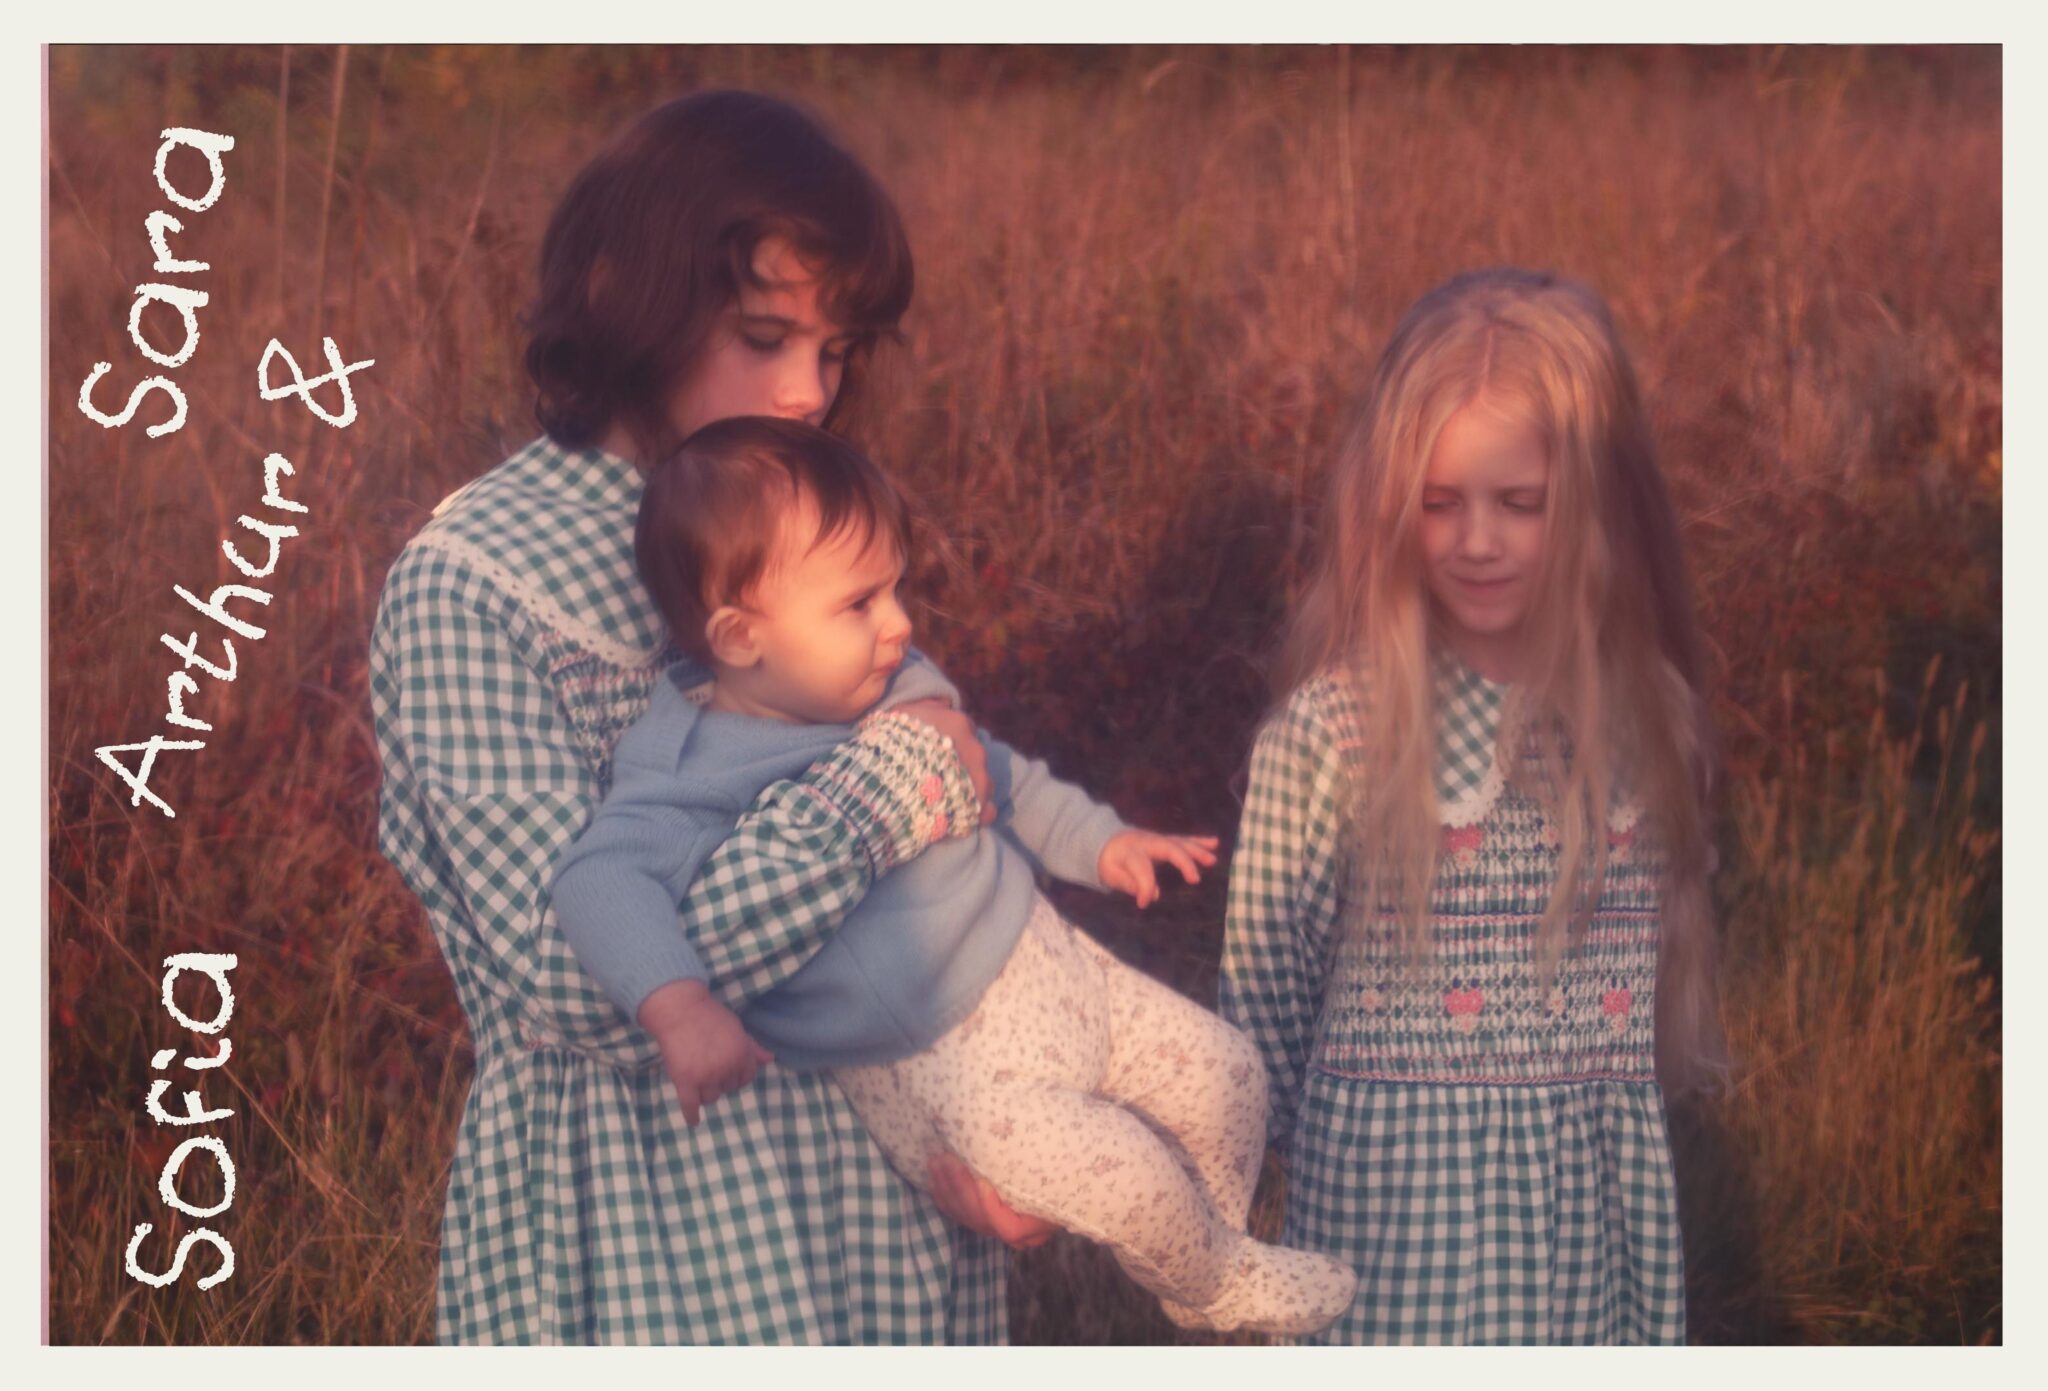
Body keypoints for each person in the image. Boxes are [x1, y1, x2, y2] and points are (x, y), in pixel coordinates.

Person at [370, 89, 1040, 1344]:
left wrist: (989, 1108)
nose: (806, 393)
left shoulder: (790, 515)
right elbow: (575, 978)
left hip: (880, 1200)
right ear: (635, 297)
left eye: (835, 351)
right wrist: (875, 796)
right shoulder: (477, 579)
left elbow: (938, 882)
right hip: (647, 1228)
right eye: (762, 335)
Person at [550, 416, 1361, 1337]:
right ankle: (1217, 1284)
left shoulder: (885, 679)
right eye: (860, 603)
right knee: (1128, 1172)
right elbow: (599, 879)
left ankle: (1202, 1261)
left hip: (1056, 966)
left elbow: (996, 772)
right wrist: (679, 1006)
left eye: (895, 589)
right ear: (739, 637)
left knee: (1230, 1076)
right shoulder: (689, 762)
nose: (898, 623)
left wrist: (1101, 841)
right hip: (946, 1068)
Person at [1219, 268, 1726, 1345]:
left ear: (1592, 504)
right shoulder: (1331, 737)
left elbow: (1657, 962)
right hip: (1386, 1243)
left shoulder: (1647, 720)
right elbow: (1256, 1012)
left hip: (1585, 1238)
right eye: (1439, 502)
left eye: (1519, 503)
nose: (1475, 541)